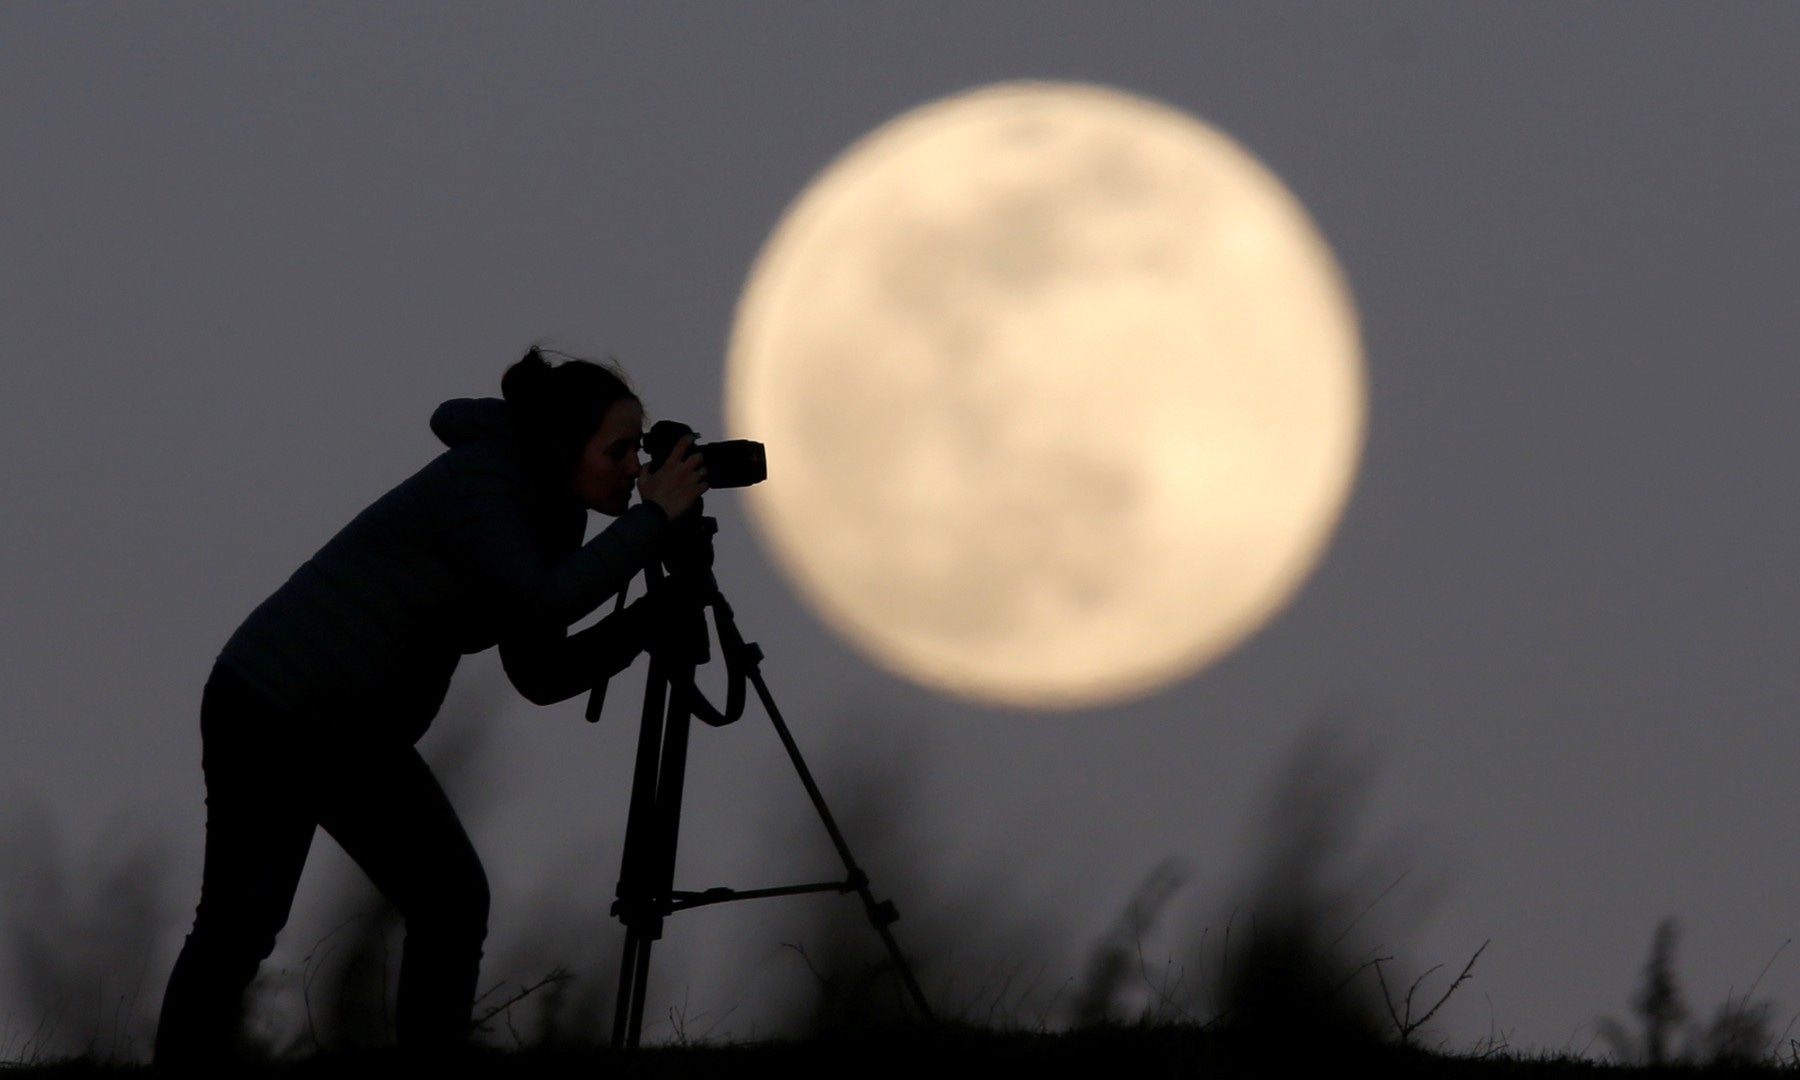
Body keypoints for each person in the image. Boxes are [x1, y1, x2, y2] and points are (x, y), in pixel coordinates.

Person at [154, 348, 708, 1063]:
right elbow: (543, 598)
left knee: (449, 902)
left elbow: (540, 670)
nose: (636, 467)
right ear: (564, 445)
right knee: (241, 924)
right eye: (620, 449)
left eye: (638, 449)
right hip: (274, 703)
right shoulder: (485, 484)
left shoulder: (551, 510)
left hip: (353, 733)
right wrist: (655, 522)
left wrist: (647, 620)